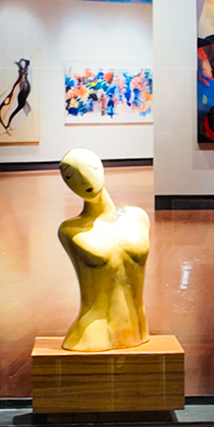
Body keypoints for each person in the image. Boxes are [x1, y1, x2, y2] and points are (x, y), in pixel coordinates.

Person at [58, 147, 150, 351]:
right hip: (93, 333)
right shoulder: (70, 231)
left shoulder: (137, 217)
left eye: (90, 167)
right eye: (70, 176)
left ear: (101, 168)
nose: (83, 179)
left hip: (139, 331)